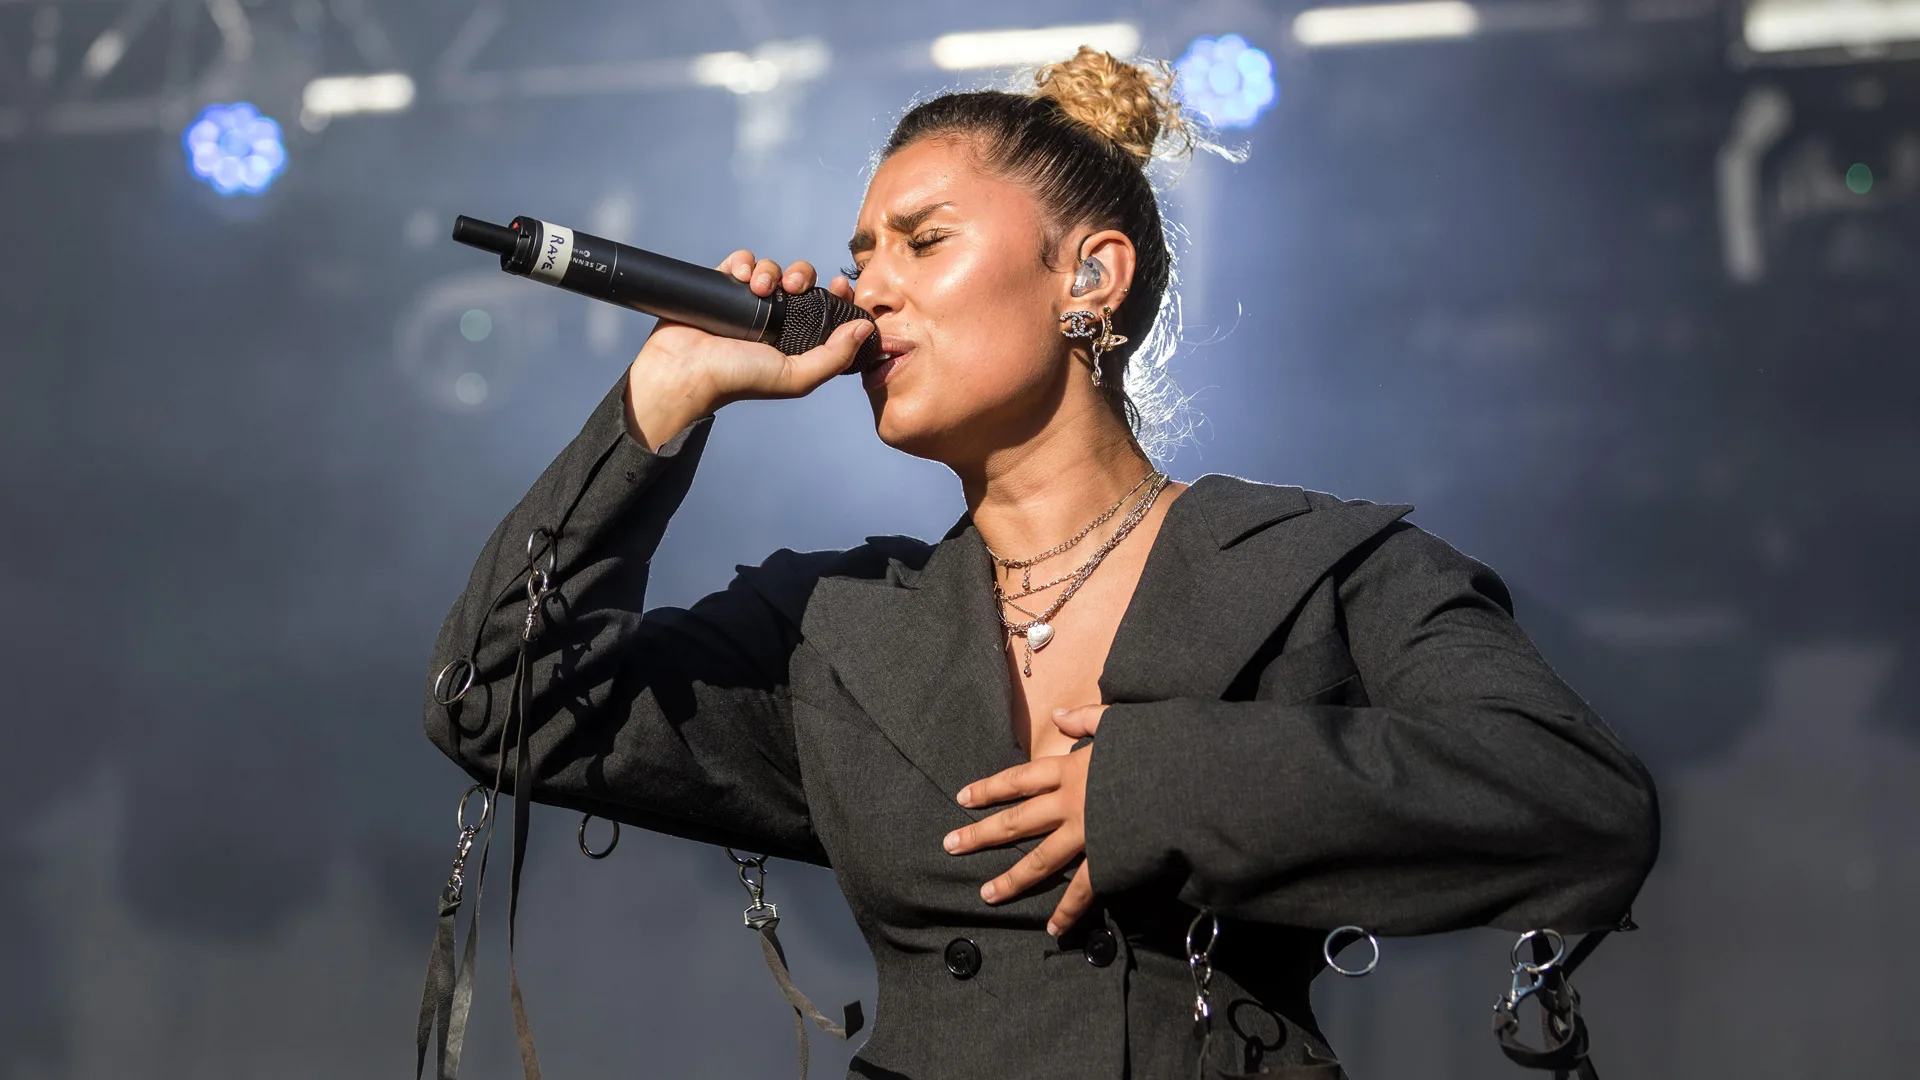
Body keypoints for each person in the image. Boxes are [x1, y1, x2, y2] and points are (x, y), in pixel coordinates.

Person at [422, 47, 1659, 1080]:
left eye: (922, 241)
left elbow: (1577, 799)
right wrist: (663, 399)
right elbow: (500, 703)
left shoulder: (1316, 572)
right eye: (864, 252)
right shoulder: (838, 630)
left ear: (1090, 274)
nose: (869, 290)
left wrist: (1151, 789)